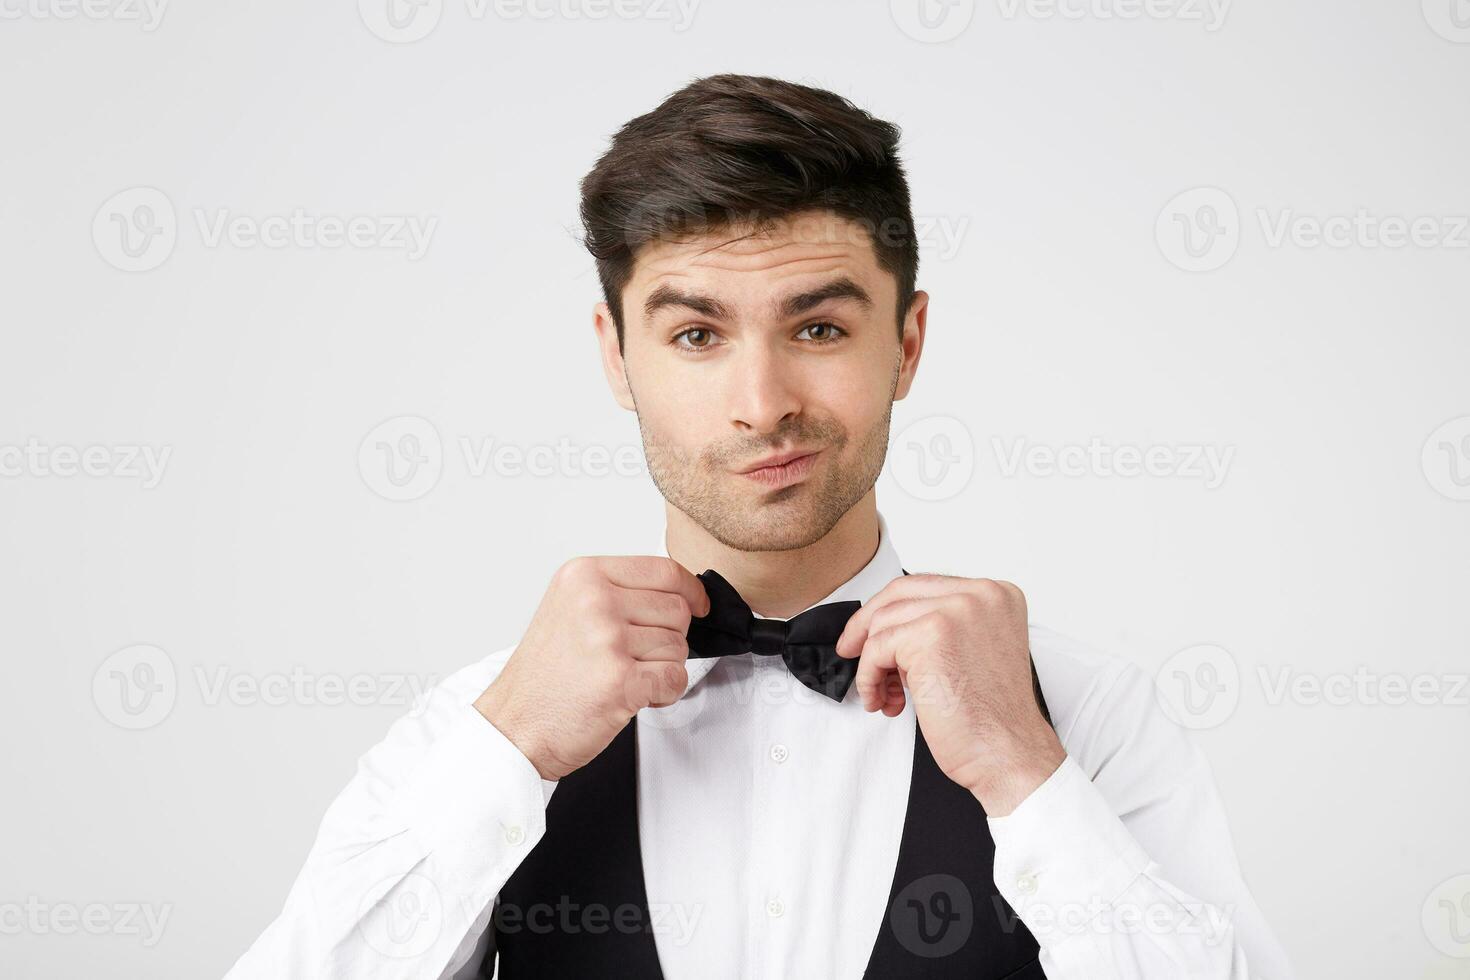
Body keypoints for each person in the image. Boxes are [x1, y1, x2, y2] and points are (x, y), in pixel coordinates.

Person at [224, 73, 1295, 979]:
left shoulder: (1079, 713)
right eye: (696, 333)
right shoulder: (480, 719)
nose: (763, 399)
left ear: (908, 342)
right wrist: (507, 745)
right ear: (615, 355)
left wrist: (1025, 772)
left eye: (819, 326)